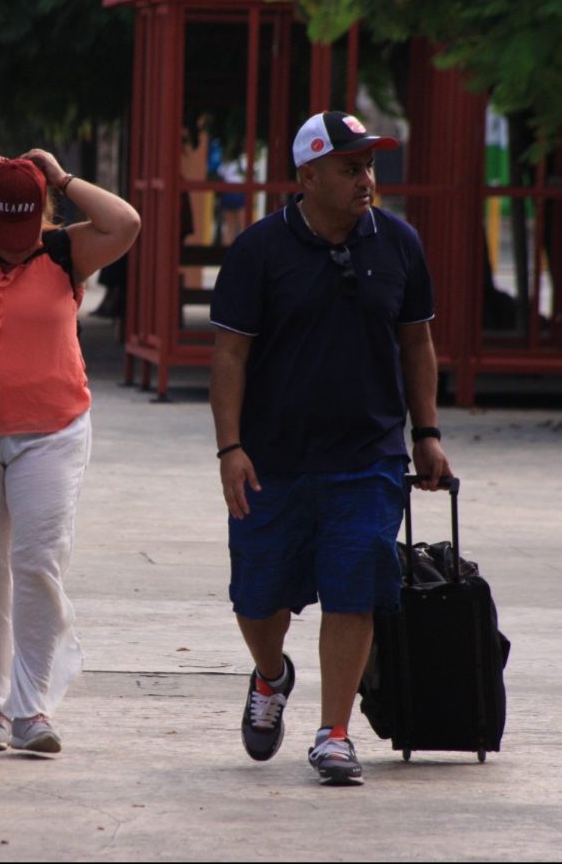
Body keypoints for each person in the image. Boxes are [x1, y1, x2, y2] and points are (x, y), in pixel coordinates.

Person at [208, 111, 453, 787]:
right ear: (307, 175)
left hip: (367, 456)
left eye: (368, 166)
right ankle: (269, 675)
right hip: (271, 458)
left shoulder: (399, 244)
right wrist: (230, 447)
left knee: (354, 588)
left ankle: (333, 733)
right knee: (258, 599)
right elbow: (229, 356)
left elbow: (416, 343)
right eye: (349, 168)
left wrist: (425, 435)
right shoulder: (258, 250)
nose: (365, 180)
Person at [0, 151, 139, 753]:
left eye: (24, 228)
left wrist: (61, 177)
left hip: (53, 430)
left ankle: (31, 706)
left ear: (43, 213)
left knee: (38, 562)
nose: (13, 245)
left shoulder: (67, 249)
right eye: (0, 228)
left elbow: (127, 223)